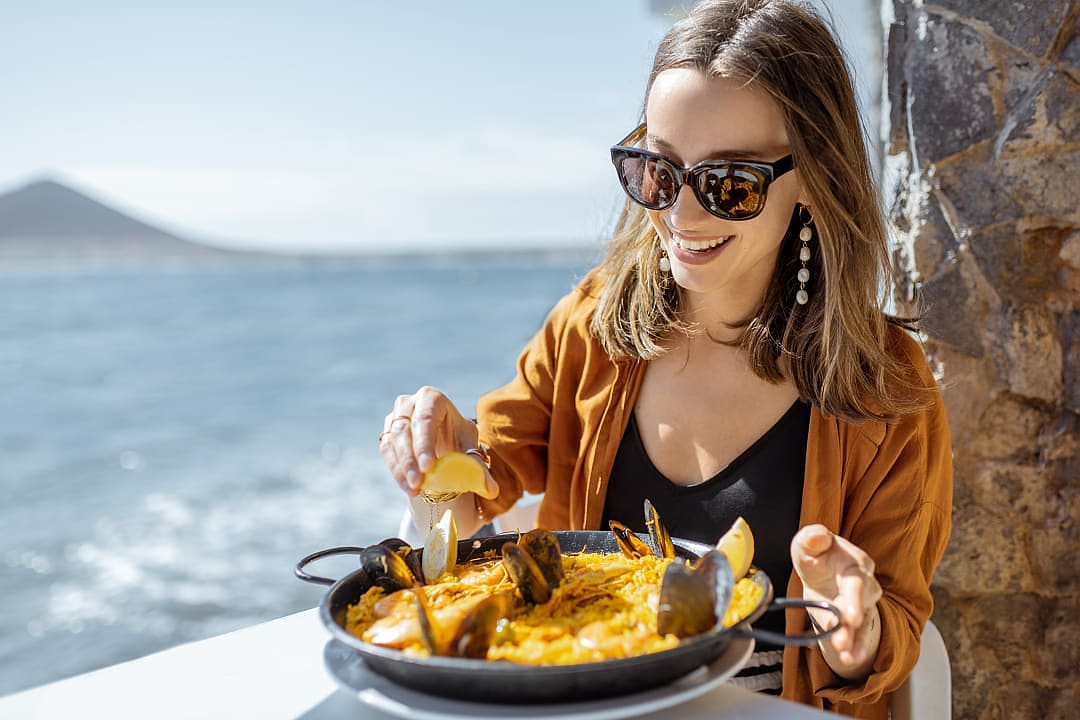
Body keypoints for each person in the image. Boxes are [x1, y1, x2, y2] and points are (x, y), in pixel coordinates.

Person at [377, 1, 952, 716]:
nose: (682, 214)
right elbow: (466, 502)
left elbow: (898, 635)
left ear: (811, 178)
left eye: (730, 184)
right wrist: (430, 457)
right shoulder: (590, 330)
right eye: (658, 171)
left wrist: (855, 624)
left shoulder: (885, 388)